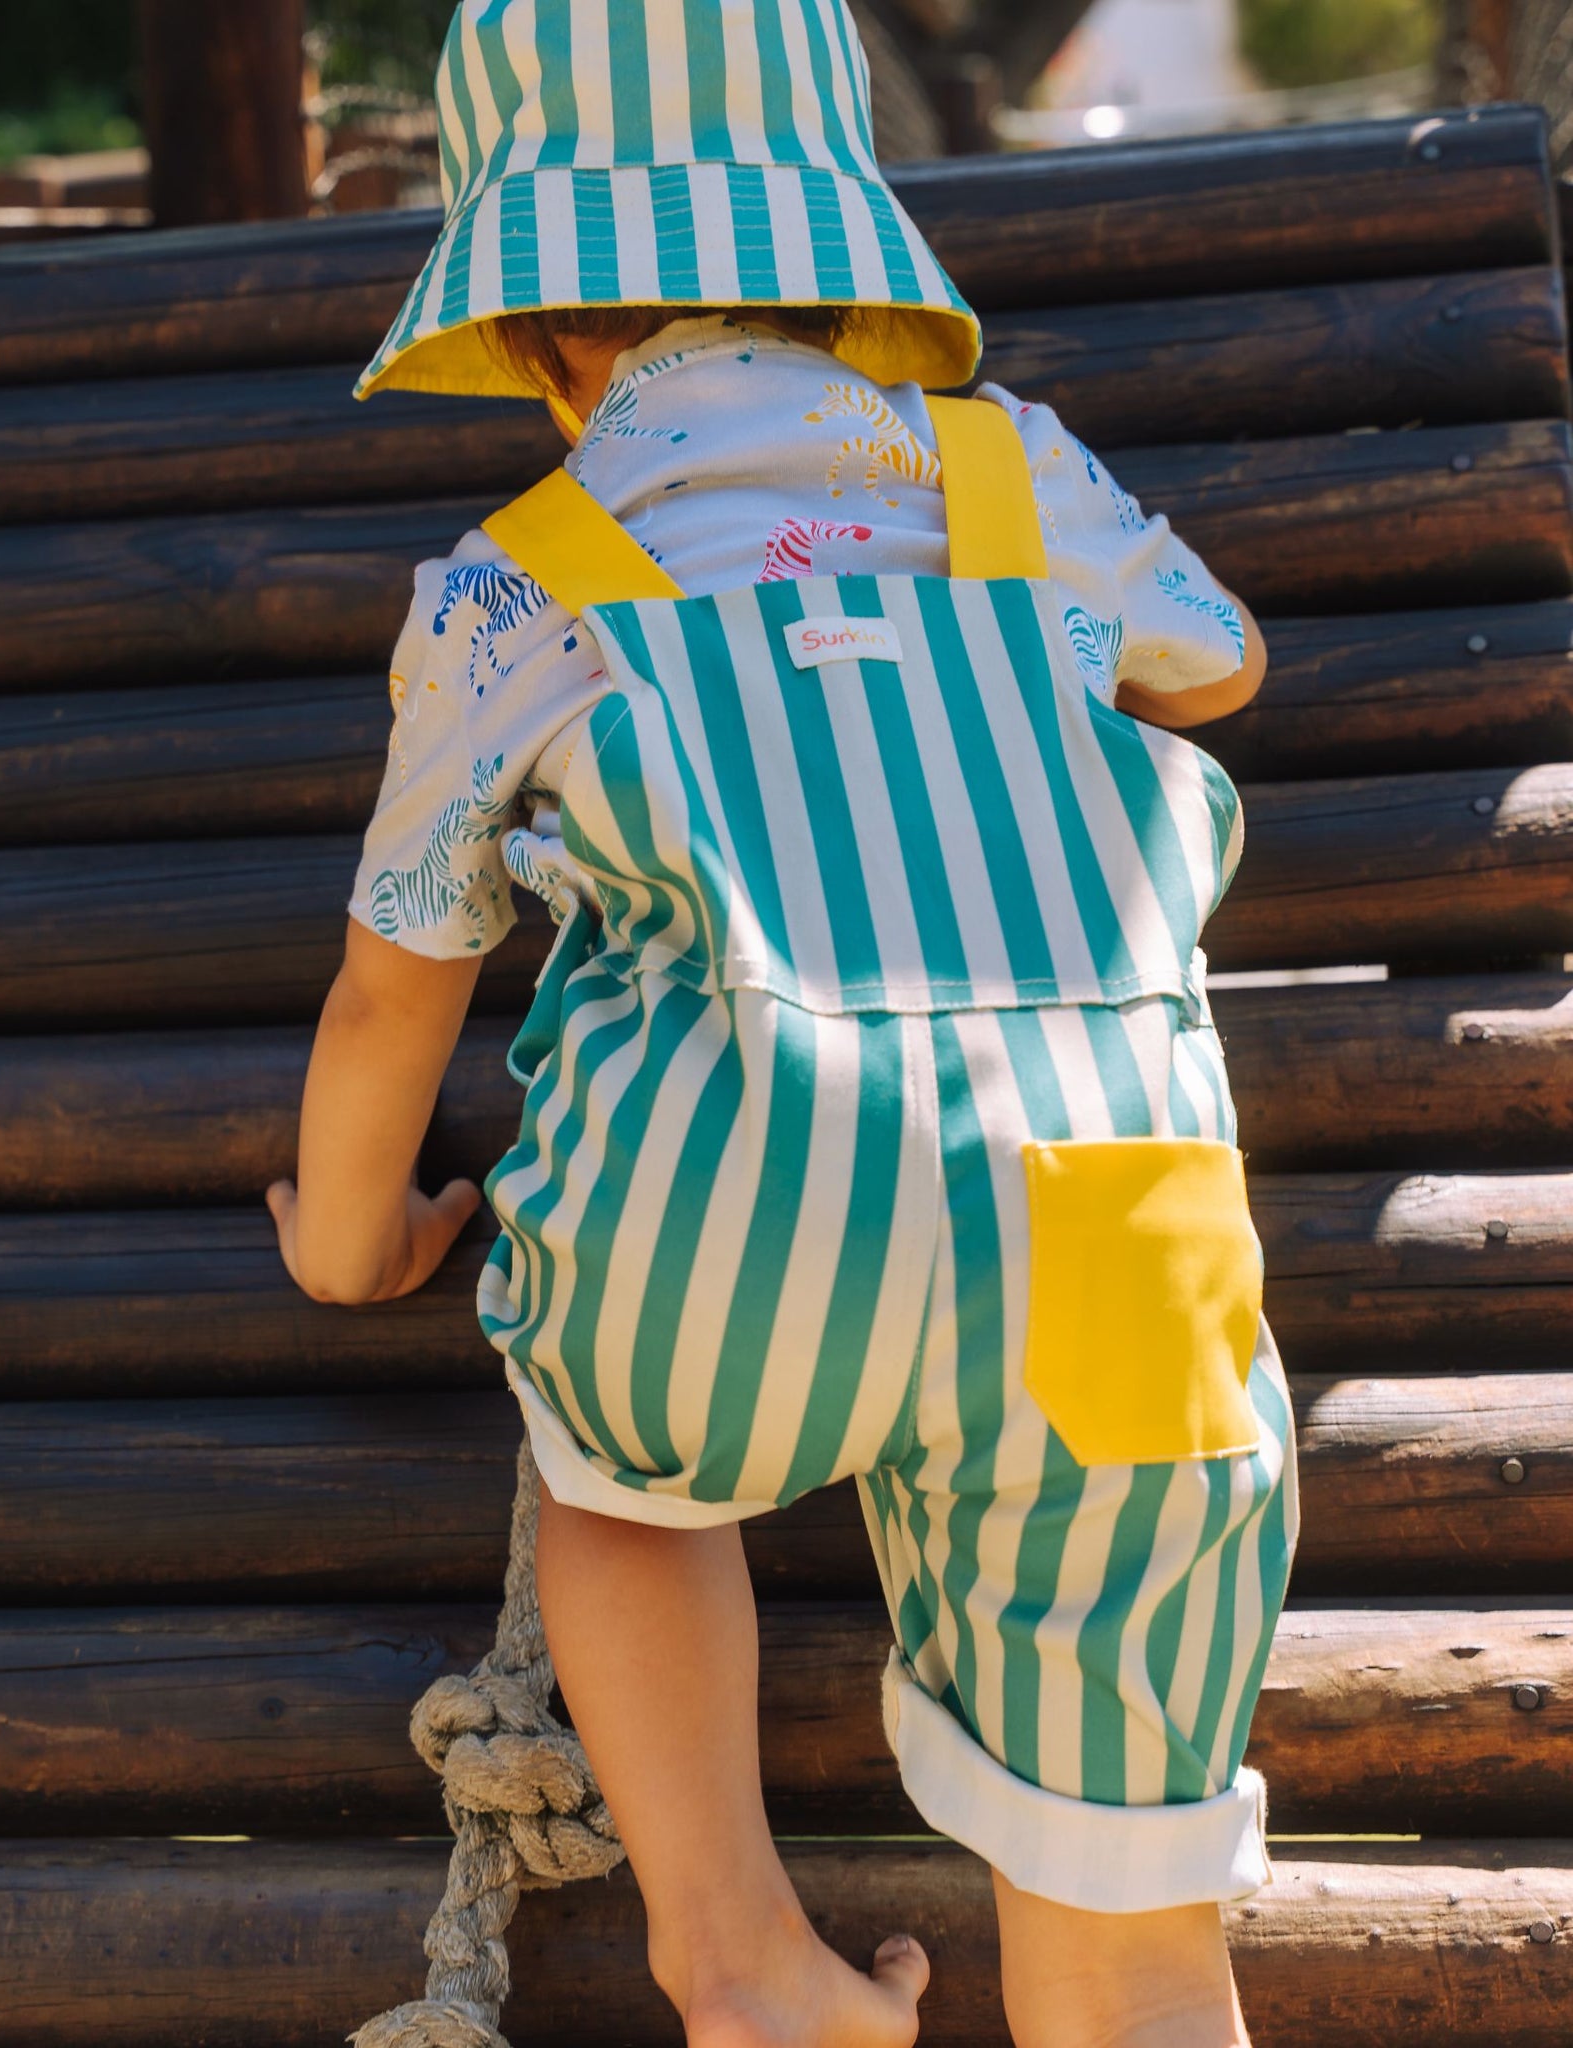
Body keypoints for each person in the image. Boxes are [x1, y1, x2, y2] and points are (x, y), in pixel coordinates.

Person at [268, 5, 1295, 2044]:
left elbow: (401, 968)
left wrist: (348, 1240)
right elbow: (1219, 666)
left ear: (534, 332)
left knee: (620, 1488)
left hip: (740, 1193)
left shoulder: (519, 582)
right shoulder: (1012, 472)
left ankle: (738, 1957)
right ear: (846, 273)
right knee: (1133, 1934)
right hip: (1113, 1214)